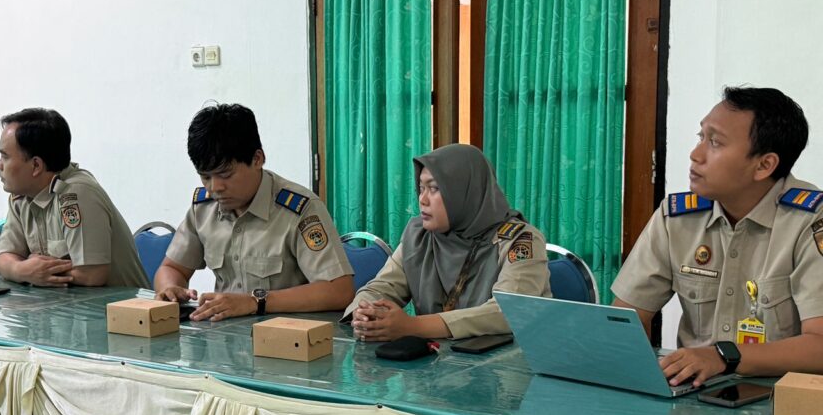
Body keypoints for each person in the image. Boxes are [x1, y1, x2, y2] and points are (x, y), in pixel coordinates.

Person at [612, 86, 823, 385]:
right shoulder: (677, 217)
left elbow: (819, 346)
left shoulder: (810, 222)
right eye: (701, 137)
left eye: (715, 142)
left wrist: (724, 357)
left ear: (764, 165)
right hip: (693, 397)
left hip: (782, 400)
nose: (695, 154)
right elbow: (626, 320)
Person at [154, 103, 354, 320]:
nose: (215, 187)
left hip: (286, 334)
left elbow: (339, 291)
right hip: (222, 334)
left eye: (226, 175)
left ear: (257, 159)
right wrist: (169, 288)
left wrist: (255, 302)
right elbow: (172, 268)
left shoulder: (299, 209)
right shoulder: (204, 208)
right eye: (206, 177)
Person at [346, 144, 551, 341]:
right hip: (436, 359)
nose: (422, 199)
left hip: (509, 360)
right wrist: (364, 312)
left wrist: (414, 326)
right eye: (421, 188)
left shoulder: (519, 239)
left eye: (434, 188)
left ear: (466, 192)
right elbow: (381, 287)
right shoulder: (420, 236)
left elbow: (509, 311)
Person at [0, 108, 148, 288]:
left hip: (120, 304)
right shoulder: (22, 198)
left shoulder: (76, 194)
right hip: (64, 303)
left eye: (5, 156)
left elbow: (92, 275)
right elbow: (4, 257)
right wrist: (23, 270)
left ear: (36, 165)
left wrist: (38, 271)